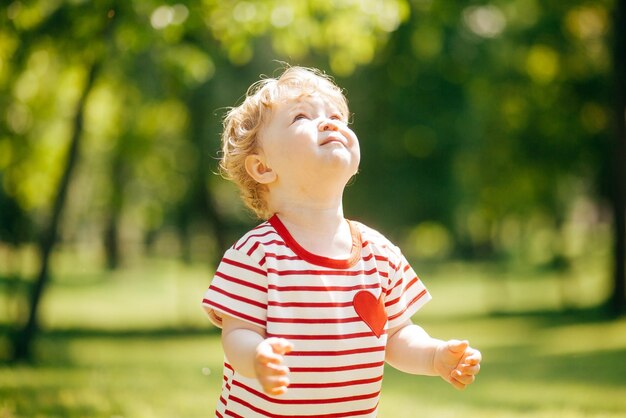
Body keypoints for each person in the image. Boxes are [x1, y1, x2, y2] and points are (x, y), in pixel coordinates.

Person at [202, 66, 481, 417]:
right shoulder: (257, 254)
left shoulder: (381, 255)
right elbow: (237, 334)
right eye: (301, 117)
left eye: (336, 116)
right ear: (262, 168)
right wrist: (258, 357)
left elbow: (396, 336)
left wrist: (434, 355)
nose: (329, 123)